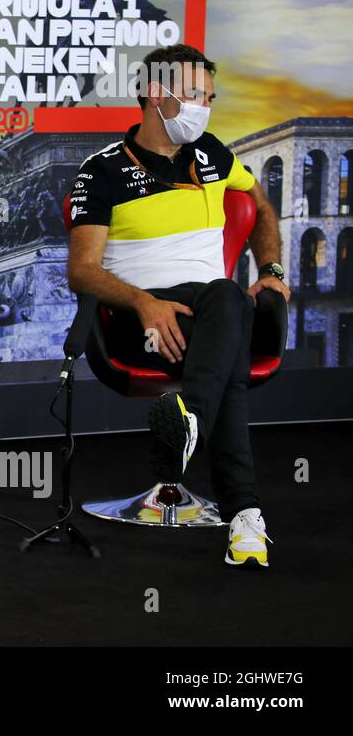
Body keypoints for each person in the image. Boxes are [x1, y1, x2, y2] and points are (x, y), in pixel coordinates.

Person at [67, 43, 290, 568]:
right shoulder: (101, 172)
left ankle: (192, 425)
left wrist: (272, 270)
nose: (203, 107)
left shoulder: (213, 154)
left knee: (228, 300)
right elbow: (81, 269)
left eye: (208, 97)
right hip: (135, 321)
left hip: (214, 311)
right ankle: (245, 516)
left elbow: (258, 205)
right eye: (192, 94)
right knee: (230, 310)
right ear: (152, 93)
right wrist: (144, 303)